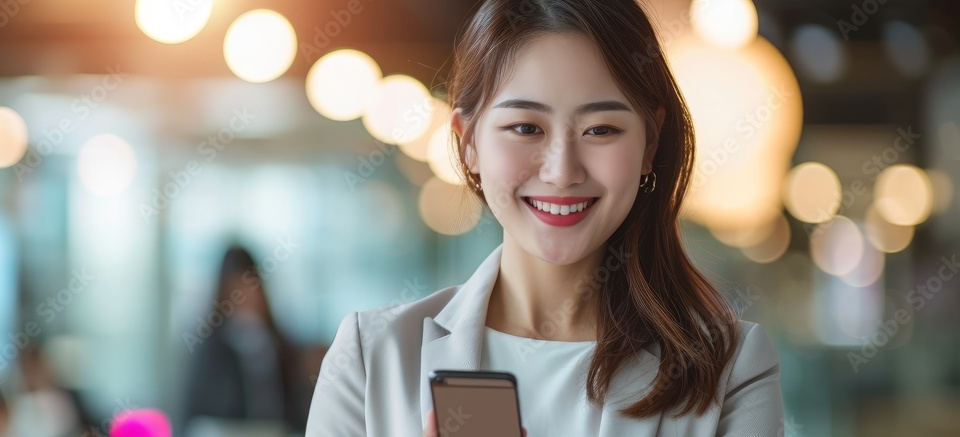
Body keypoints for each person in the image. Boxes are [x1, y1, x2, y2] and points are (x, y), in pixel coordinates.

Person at [306, 0, 784, 435]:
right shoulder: (372, 358)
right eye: (525, 128)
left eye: (601, 129)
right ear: (468, 142)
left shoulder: (731, 368)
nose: (562, 171)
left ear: (649, 145)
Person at [181, 245, 309, 435]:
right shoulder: (209, 351)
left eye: (250, 287)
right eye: (235, 289)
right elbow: (195, 414)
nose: (244, 297)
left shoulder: (282, 347)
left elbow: (296, 412)